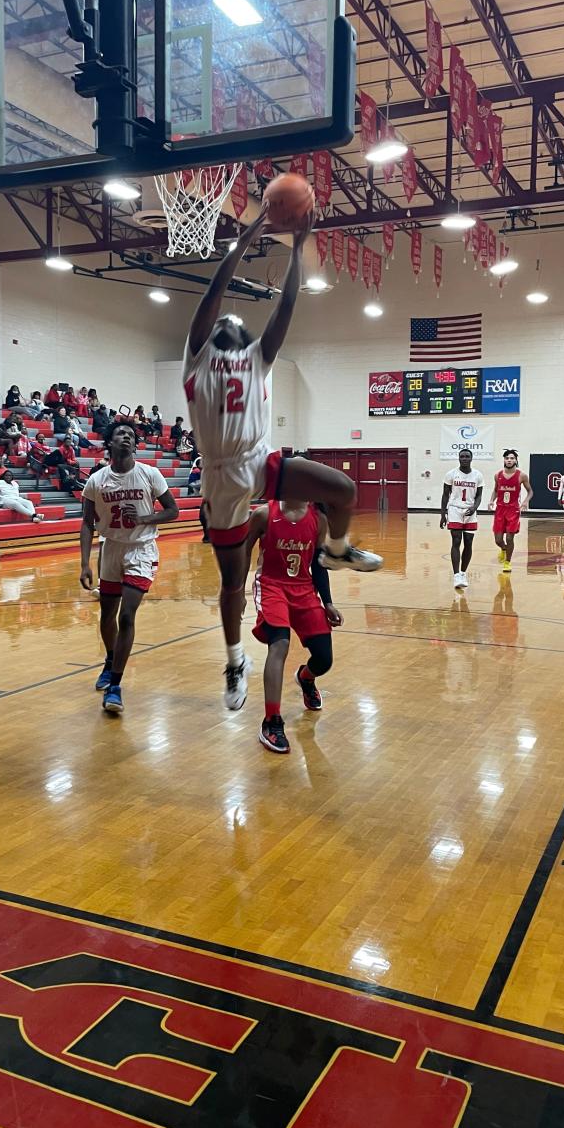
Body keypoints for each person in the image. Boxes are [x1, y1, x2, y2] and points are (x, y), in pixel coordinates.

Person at [183, 203, 381, 710]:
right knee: (231, 582)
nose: (229, 318)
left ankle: (336, 549)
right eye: (222, 319)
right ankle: (233, 661)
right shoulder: (199, 355)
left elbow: (287, 307)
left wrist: (298, 247)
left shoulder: (259, 358)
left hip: (260, 461)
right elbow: (214, 292)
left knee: (344, 491)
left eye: (235, 320)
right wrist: (248, 237)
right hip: (223, 480)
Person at [79, 420, 179, 713]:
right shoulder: (96, 480)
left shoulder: (150, 474)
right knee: (107, 614)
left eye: (131, 435)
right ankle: (110, 660)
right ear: (109, 443)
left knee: (127, 615)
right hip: (110, 548)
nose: (126, 437)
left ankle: (116, 686)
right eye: (121, 433)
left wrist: (146, 518)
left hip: (141, 549)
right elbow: (87, 523)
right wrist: (84, 563)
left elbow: (173, 510)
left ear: (135, 445)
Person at [245, 498, 343, 754]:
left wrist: (329, 602)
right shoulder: (265, 514)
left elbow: (318, 565)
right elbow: (244, 551)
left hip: (303, 589)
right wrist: (234, 592)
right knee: (280, 644)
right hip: (271, 586)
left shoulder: (317, 519)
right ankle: (271, 722)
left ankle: (305, 678)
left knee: (324, 658)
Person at [440, 448, 485, 590]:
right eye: (462, 456)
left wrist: (475, 507)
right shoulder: (451, 474)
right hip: (454, 509)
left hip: (470, 511)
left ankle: (463, 573)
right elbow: (445, 495)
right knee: (456, 540)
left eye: (467, 456)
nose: (464, 458)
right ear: (459, 458)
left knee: (469, 542)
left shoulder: (478, 475)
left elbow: (479, 496)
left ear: (471, 459)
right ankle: (456, 575)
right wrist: (443, 514)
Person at [488, 448, 533, 573]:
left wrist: (525, 502)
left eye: (512, 458)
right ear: (504, 460)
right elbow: (496, 490)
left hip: (513, 510)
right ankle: (503, 549)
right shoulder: (498, 475)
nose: (509, 460)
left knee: (509, 538)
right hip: (500, 509)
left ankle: (507, 562)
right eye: (507, 458)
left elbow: (530, 491)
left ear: (516, 460)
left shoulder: (522, 475)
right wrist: (491, 500)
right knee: (498, 540)